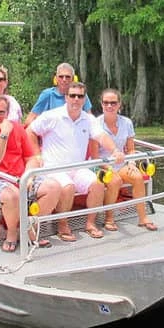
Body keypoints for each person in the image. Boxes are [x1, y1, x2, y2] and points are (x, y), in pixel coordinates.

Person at [27, 82, 124, 242]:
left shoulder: (88, 119)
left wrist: (115, 150)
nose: (76, 99)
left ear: (84, 99)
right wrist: (37, 154)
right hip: (54, 168)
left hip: (78, 168)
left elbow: (101, 137)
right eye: (72, 95)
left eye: (80, 96)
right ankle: (62, 225)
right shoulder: (52, 116)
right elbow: (30, 131)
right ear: (66, 97)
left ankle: (90, 223)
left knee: (97, 183)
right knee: (68, 186)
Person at [0, 95, 62, 252]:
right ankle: (12, 232)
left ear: (7, 113)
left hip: (19, 176)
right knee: (12, 195)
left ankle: (30, 226)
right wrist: (4, 135)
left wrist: (28, 176)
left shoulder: (17, 128)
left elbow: (30, 157)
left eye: (0, 112)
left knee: (53, 187)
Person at [92, 88, 157, 231]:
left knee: (138, 177)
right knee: (114, 181)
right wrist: (107, 167)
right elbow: (94, 156)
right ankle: (109, 218)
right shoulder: (95, 124)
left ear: (119, 104)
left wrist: (132, 162)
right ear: (101, 104)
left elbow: (131, 149)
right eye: (106, 102)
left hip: (122, 163)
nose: (109, 106)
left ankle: (143, 217)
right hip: (102, 165)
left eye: (113, 103)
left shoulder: (127, 123)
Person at [22, 62, 92, 127]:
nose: (64, 79)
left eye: (67, 77)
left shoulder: (80, 95)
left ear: (73, 79)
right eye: (61, 77)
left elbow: (90, 119)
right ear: (56, 78)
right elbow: (29, 120)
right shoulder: (47, 94)